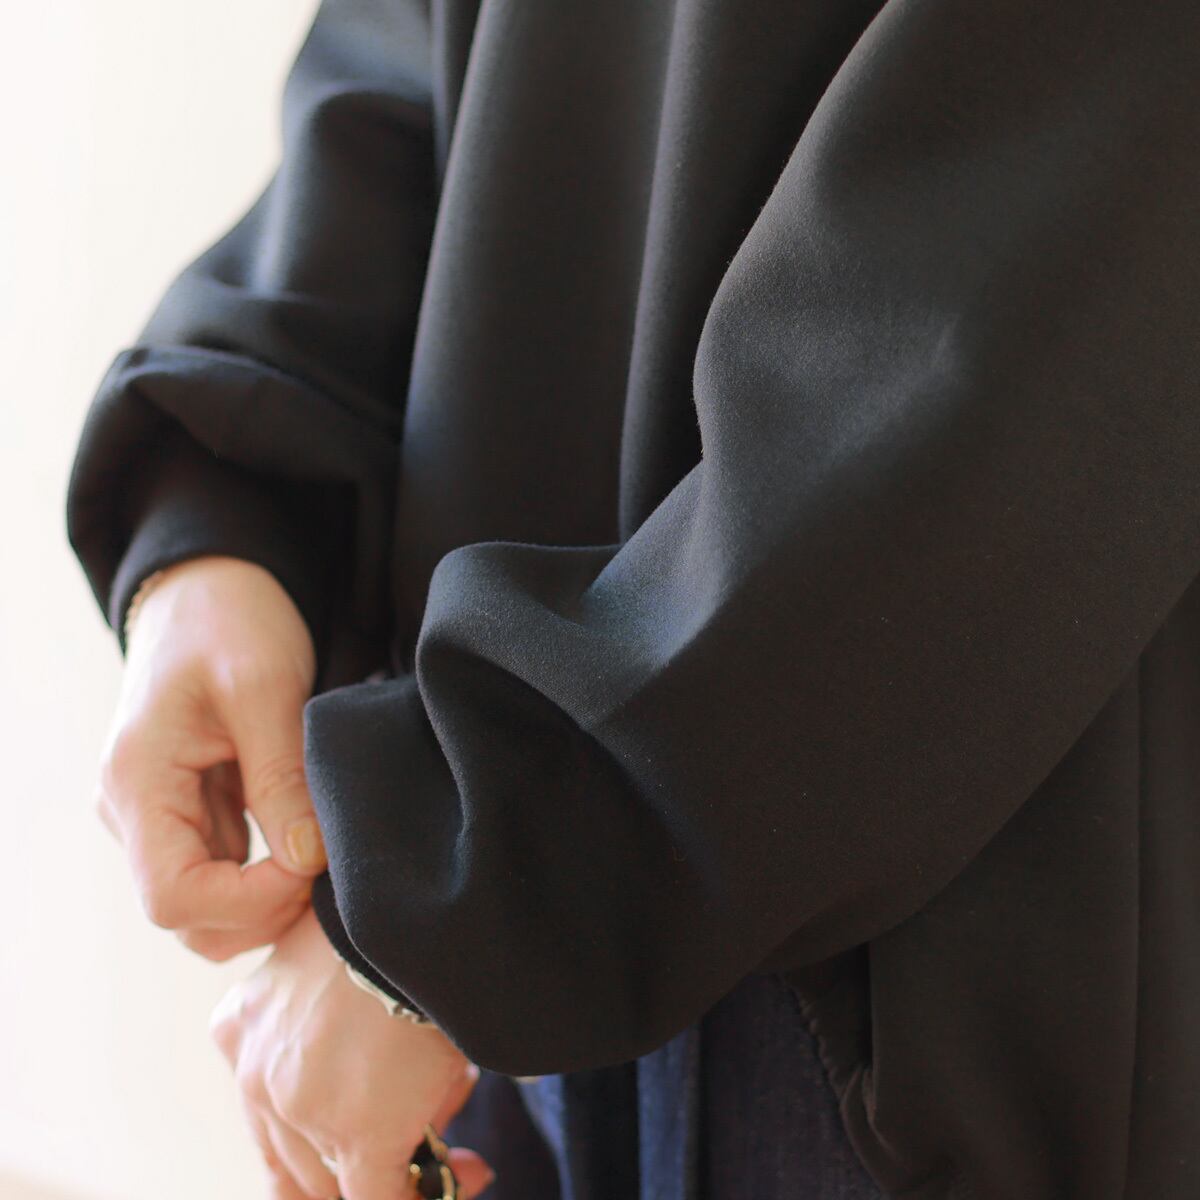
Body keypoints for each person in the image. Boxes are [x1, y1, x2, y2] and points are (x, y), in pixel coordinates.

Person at [66, 0, 1200, 1196]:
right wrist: (225, 523)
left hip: (879, 960)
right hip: (493, 836)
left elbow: (1015, 308)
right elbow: (420, 50)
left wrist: (465, 893)